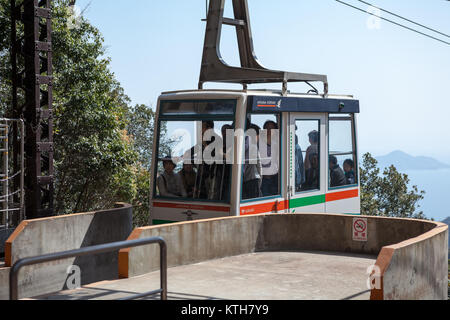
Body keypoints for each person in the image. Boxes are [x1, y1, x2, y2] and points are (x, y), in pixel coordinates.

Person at [242, 123, 262, 200]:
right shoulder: (253, 146)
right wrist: (260, 183)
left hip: (244, 179)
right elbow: (259, 165)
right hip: (253, 179)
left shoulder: (243, 144)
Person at [261, 120, 279, 197]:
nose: (269, 131)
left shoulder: (279, 143)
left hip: (276, 178)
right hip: (263, 178)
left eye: (271, 128)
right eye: (267, 128)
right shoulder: (259, 142)